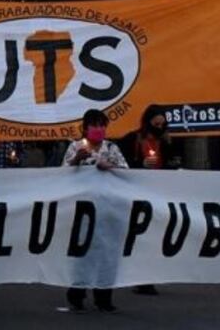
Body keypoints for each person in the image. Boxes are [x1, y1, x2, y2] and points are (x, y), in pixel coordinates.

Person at [63, 109, 128, 313]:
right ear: (85, 128)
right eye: (94, 125)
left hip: (108, 208)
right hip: (82, 209)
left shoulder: (112, 148)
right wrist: (77, 160)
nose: (98, 129)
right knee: (81, 251)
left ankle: (103, 296)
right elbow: (61, 175)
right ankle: (77, 294)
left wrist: (109, 167)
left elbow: (126, 172)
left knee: (106, 253)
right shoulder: (75, 147)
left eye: (102, 125)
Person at [117, 105, 179, 296]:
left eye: (162, 124)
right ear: (148, 122)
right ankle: (136, 275)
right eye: (156, 124)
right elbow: (121, 163)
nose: (159, 127)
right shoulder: (132, 139)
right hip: (136, 194)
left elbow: (172, 163)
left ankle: (147, 277)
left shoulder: (167, 142)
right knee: (137, 235)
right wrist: (140, 164)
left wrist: (172, 165)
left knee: (154, 235)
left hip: (158, 193)